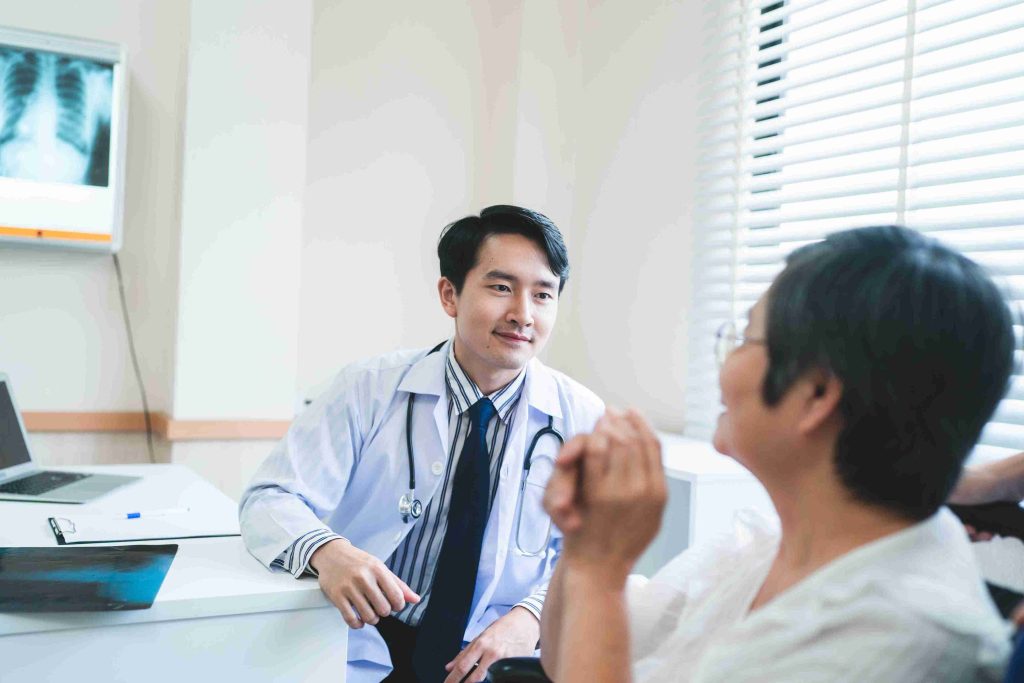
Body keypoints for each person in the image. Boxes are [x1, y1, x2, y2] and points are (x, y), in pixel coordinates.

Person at [539, 226, 1015, 682]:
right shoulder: (765, 543)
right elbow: (566, 660)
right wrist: (584, 547)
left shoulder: (894, 640)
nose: (725, 365)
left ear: (817, 394)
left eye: (745, 339)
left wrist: (601, 573)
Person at [239, 205, 603, 683]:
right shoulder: (368, 388)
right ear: (449, 294)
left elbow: (594, 551)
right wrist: (328, 551)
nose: (522, 314)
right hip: (363, 632)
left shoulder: (582, 417)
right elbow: (269, 498)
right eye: (500, 287)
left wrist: (533, 617)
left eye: (543, 295)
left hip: (494, 648)